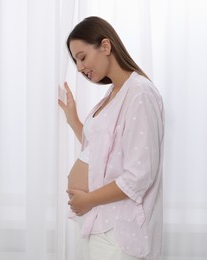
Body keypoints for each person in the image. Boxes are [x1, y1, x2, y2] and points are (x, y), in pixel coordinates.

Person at [58, 16, 164, 260]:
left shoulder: (140, 93)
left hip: (117, 231)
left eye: (82, 57)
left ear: (106, 46)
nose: (79, 68)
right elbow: (98, 152)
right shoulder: (112, 94)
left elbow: (139, 175)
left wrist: (88, 200)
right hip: (97, 222)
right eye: (75, 61)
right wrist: (73, 120)